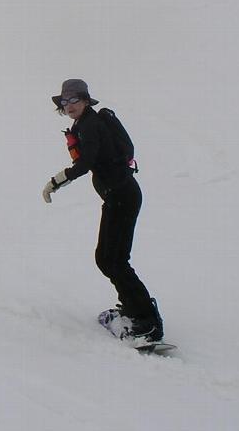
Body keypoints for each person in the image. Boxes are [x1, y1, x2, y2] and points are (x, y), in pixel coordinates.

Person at [42, 78, 163, 344]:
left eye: (75, 99)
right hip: (118, 196)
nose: (69, 105)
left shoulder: (90, 125)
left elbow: (86, 163)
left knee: (113, 259)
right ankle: (133, 309)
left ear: (85, 100)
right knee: (108, 258)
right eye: (65, 101)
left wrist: (55, 182)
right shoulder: (84, 124)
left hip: (122, 196)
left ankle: (147, 323)